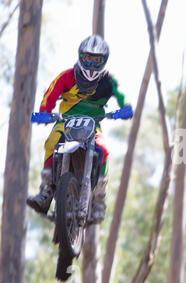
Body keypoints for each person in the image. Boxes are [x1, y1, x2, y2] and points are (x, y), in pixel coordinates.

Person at [27, 35, 130, 224]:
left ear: (104, 61)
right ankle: (46, 191)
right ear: (80, 56)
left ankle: (99, 198)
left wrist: (125, 108)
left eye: (96, 60)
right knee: (51, 143)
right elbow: (50, 94)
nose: (91, 64)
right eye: (87, 58)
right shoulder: (67, 76)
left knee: (104, 150)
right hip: (64, 122)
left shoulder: (109, 81)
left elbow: (121, 96)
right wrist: (44, 112)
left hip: (93, 124)